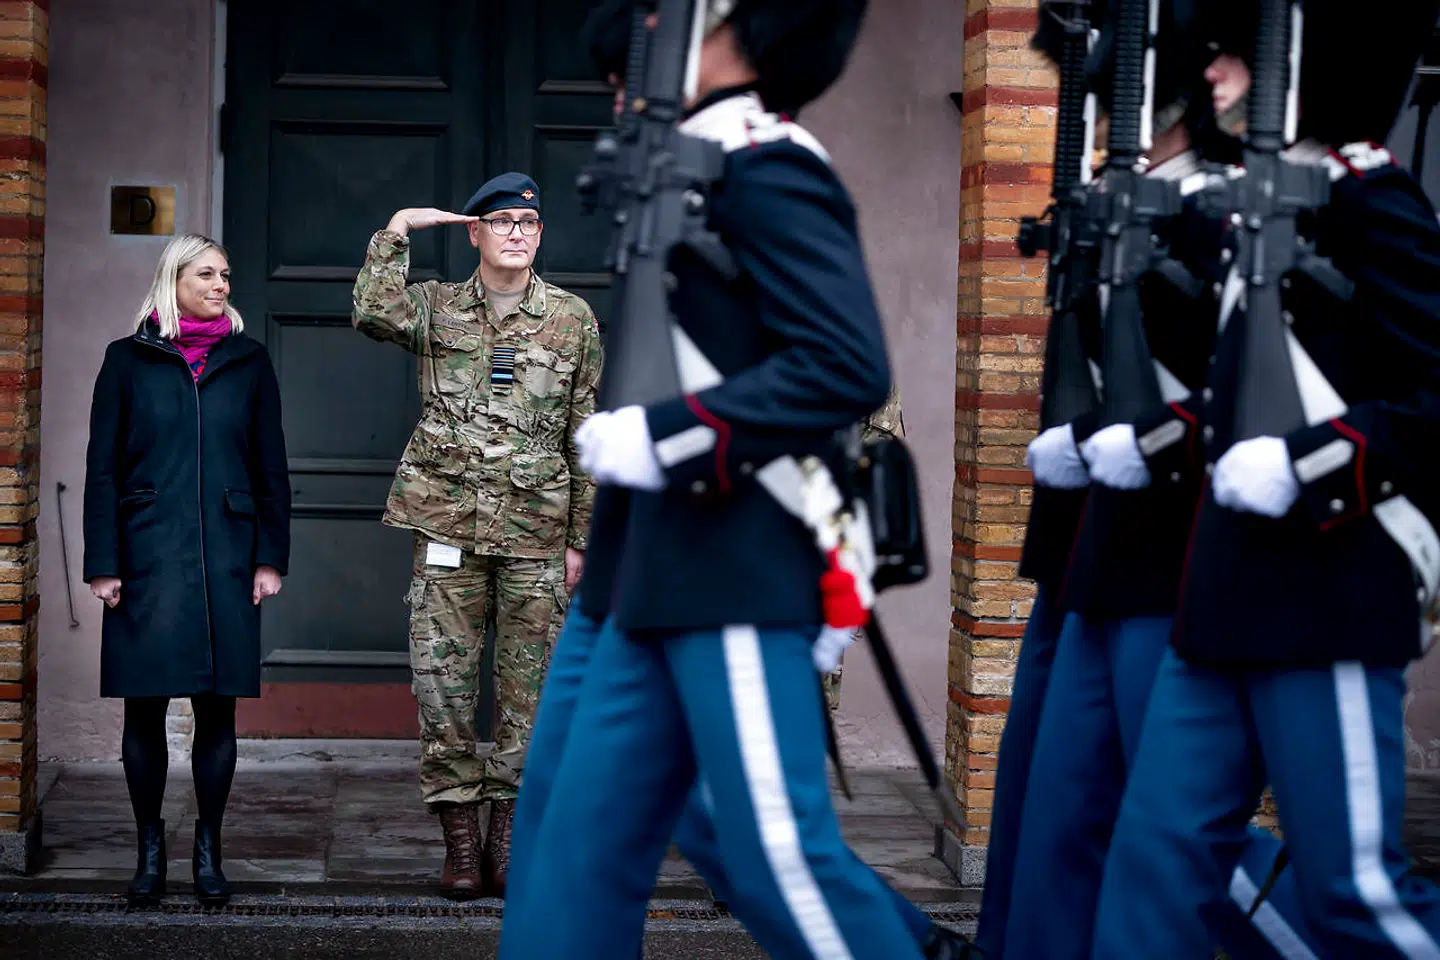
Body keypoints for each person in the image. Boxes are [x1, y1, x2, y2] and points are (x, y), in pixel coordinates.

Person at [498, 2, 946, 957]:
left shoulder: (765, 163)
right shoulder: (687, 160)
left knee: (778, 858)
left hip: (732, 556)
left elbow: (844, 365)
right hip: (644, 564)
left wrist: (667, 436)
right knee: (571, 856)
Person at [1090, 1, 1440, 955]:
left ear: (1301, 59)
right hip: (1225, 589)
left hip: (1331, 585)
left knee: (1354, 894)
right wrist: (1161, 438)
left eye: (1236, 55)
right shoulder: (1265, 198)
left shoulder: (1367, 196)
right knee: (1154, 868)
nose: (1212, 73)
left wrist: (1316, 464)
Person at [351, 173, 601, 899]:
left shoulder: (571, 318)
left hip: (537, 535)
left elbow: (586, 430)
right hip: (447, 528)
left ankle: (508, 838)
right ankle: (460, 842)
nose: (517, 233)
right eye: (501, 221)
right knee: (444, 692)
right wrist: (398, 227)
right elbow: (371, 310)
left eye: (529, 222)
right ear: (474, 233)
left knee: (533, 696)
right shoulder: (435, 307)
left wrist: (582, 538)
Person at [83, 233, 291, 907]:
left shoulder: (249, 361)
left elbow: (271, 466)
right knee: (143, 710)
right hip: (146, 556)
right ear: (173, 280)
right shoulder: (127, 360)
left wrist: (270, 556)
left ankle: (208, 848)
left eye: (225, 274)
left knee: (217, 712)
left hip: (228, 555)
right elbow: (102, 468)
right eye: (206, 274)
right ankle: (150, 850)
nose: (221, 284)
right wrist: (103, 562)